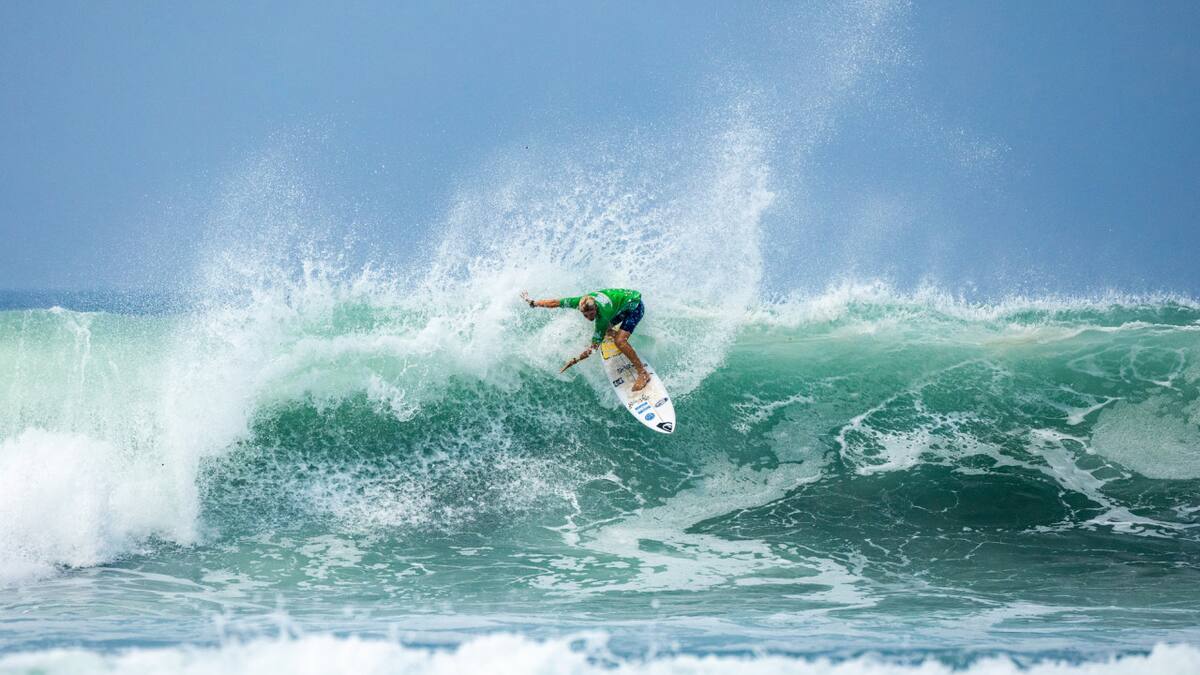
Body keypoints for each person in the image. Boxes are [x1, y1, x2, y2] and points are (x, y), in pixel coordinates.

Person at [521, 288, 651, 391]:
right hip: (623, 302)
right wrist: (533, 303)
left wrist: (574, 361)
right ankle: (613, 333)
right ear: (580, 309)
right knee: (606, 330)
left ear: (596, 308)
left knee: (619, 342)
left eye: (592, 314)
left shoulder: (602, 317)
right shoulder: (578, 302)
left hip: (635, 306)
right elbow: (555, 303)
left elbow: (593, 349)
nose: (590, 318)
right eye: (586, 315)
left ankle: (643, 373)